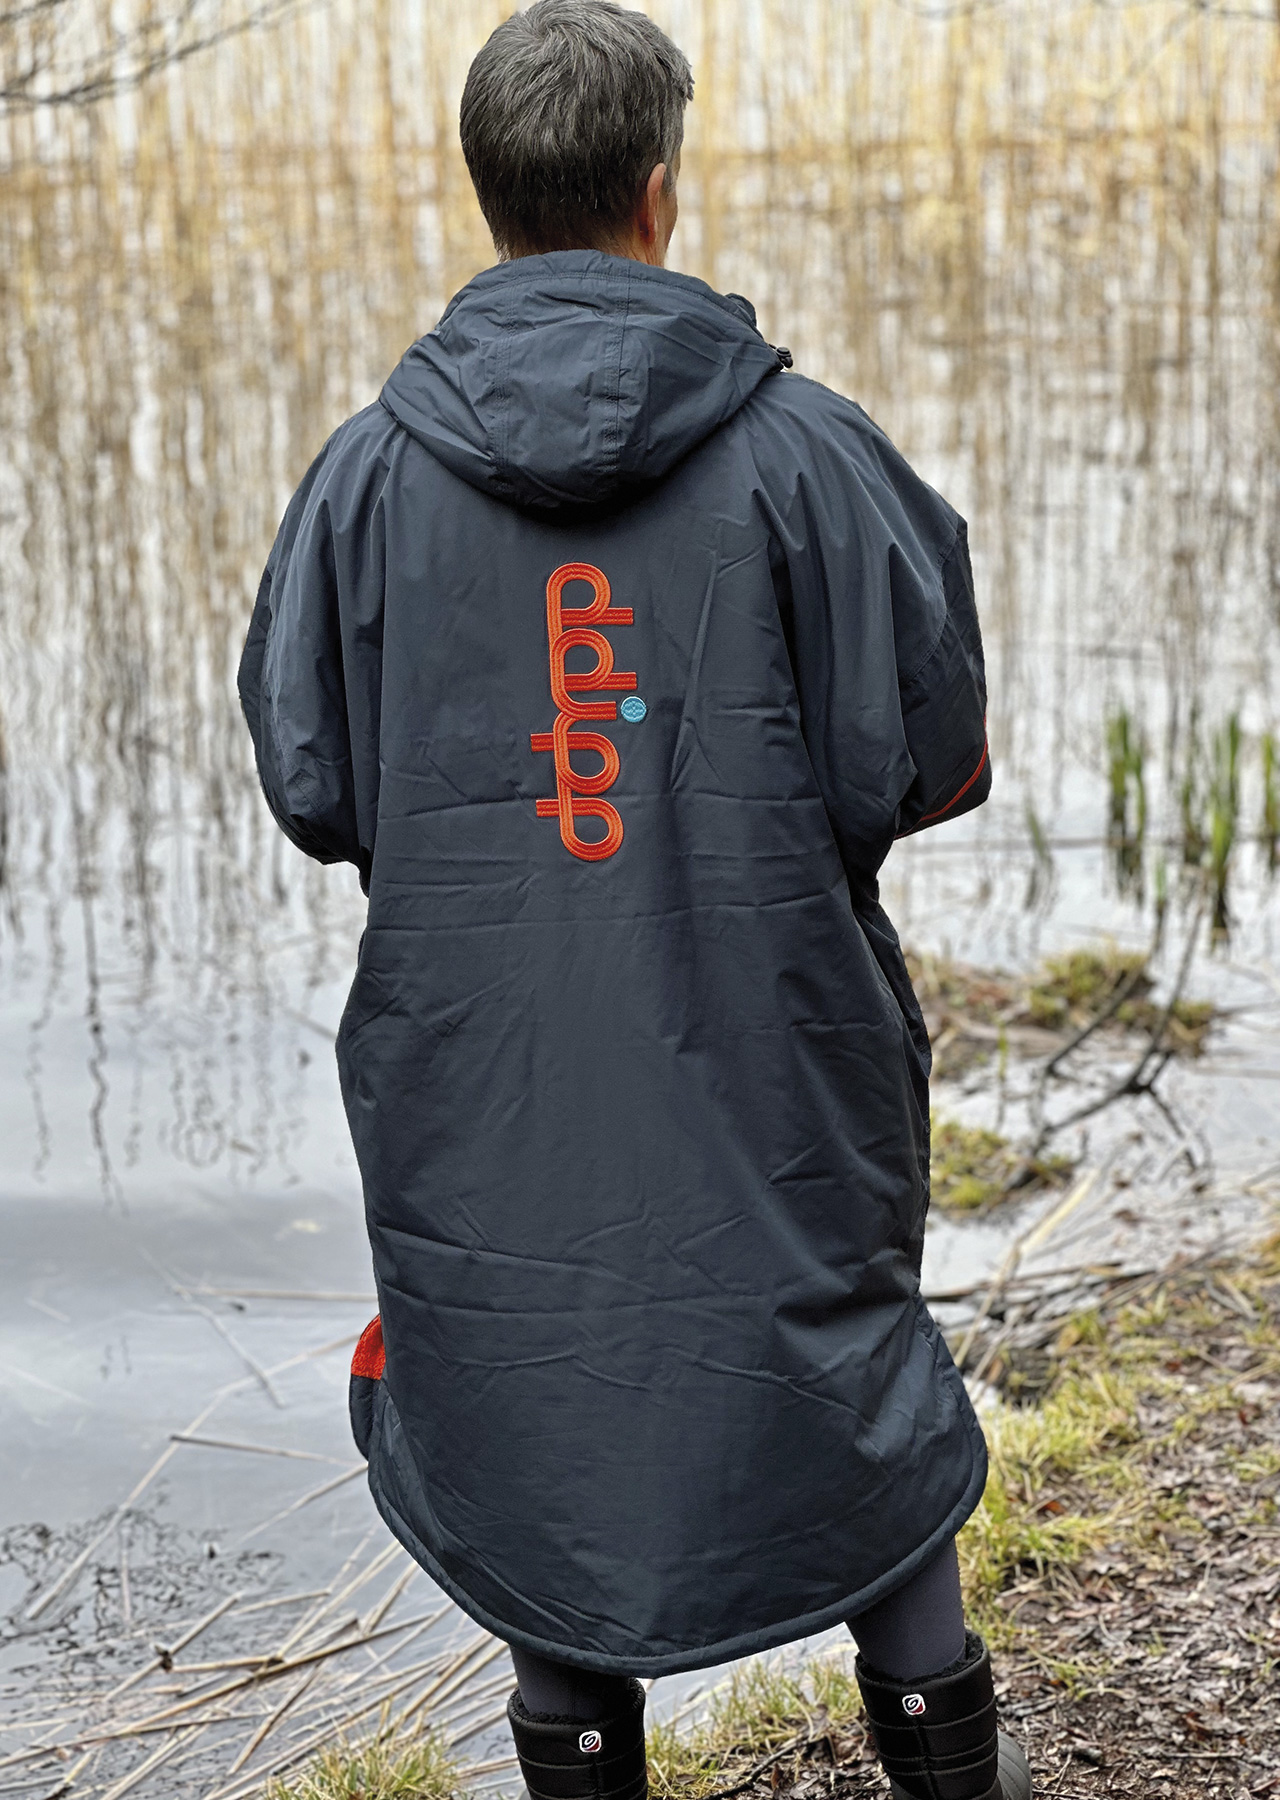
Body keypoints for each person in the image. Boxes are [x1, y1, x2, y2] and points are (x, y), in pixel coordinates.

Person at [238, 4, 1030, 1798]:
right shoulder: (813, 455)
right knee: (837, 1362)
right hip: (778, 1045)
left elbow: (314, 788)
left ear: (489, 194)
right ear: (660, 188)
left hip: (486, 1068)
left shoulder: (364, 478)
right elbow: (936, 762)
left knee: (541, 1393)